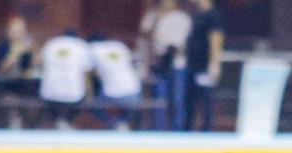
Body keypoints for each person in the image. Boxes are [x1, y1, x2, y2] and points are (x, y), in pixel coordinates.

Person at [139, 0, 190, 131]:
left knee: (177, 99)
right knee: (159, 99)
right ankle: (158, 130)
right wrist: (157, 19)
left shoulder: (182, 17)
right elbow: (144, 35)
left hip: (178, 63)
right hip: (159, 62)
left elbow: (189, 40)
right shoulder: (153, 16)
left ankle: (177, 131)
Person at [85, 33, 142, 130]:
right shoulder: (119, 46)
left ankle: (115, 124)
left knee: (91, 104)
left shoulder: (93, 48)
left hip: (112, 94)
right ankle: (123, 123)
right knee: (131, 102)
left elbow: (88, 72)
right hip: (134, 91)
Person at [39, 28, 92, 129]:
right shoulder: (81, 46)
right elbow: (87, 72)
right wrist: (89, 91)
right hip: (74, 92)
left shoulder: (51, 44)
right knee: (82, 100)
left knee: (48, 99)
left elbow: (39, 63)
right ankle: (66, 121)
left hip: (50, 92)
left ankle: (58, 120)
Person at [184, 0, 223, 131]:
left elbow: (216, 38)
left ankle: (206, 130)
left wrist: (214, 64)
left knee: (206, 101)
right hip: (194, 66)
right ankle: (189, 130)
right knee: (191, 100)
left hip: (204, 66)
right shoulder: (198, 15)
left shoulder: (212, 16)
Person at [0, 14, 35, 79]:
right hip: (5, 84)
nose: (18, 34)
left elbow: (29, 70)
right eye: (15, 31)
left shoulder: (26, 48)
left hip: (22, 84)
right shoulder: (2, 47)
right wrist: (15, 54)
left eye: (21, 31)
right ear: (9, 31)